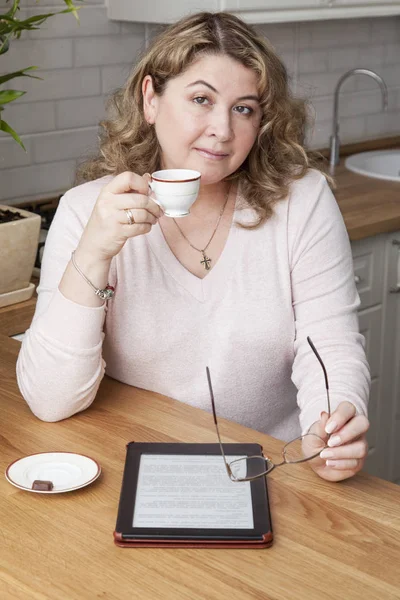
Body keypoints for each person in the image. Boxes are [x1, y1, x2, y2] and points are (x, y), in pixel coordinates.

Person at [17, 11, 370, 482]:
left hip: (271, 471)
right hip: (136, 469)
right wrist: (94, 253)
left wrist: (331, 424)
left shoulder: (302, 201)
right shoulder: (87, 211)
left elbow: (330, 344)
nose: (222, 129)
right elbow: (51, 400)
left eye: (244, 108)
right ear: (151, 99)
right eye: (201, 99)